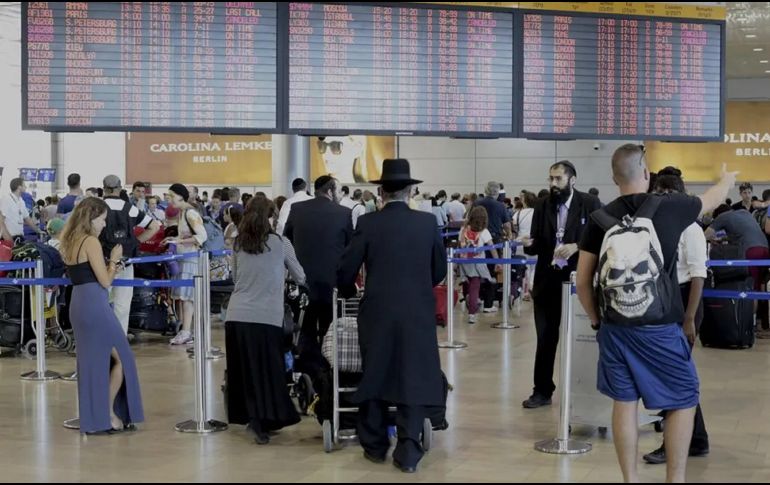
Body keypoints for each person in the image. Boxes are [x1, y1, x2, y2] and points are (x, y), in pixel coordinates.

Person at [576, 144, 735, 483]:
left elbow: (582, 281)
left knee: (625, 399)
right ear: (646, 174)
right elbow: (712, 198)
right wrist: (727, 178)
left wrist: (596, 321)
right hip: (659, 325)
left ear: (613, 178)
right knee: (684, 396)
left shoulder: (599, 219)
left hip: (615, 327)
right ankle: (674, 479)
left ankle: (630, 479)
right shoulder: (669, 208)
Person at [337, 159, 446, 474]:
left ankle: (373, 444)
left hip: (378, 311)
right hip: (418, 310)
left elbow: (347, 268)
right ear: (411, 190)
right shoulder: (427, 223)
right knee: (412, 372)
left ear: (380, 191)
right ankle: (409, 448)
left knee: (376, 370)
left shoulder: (369, 224)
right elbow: (438, 269)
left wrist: (345, 289)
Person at [59, 197, 144, 435]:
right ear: (92, 218)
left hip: (78, 302)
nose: (105, 225)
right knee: (123, 358)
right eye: (103, 220)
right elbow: (105, 282)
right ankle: (108, 414)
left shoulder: (68, 240)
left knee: (91, 362)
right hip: (95, 303)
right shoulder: (90, 242)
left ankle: (97, 417)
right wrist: (115, 260)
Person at [521, 161, 601, 409]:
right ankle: (542, 390)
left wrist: (577, 245)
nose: (553, 184)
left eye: (558, 179)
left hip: (580, 281)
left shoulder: (590, 204)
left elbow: (602, 238)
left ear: (572, 180)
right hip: (547, 282)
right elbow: (536, 244)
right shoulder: (543, 205)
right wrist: (527, 243)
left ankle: (588, 390)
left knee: (584, 337)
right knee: (545, 337)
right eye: (551, 179)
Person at [642, 171, 710, 465]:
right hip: (668, 300)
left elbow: (698, 276)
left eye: (659, 192)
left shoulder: (690, 228)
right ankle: (696, 439)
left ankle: (676, 443)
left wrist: (689, 319)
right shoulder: (664, 225)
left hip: (685, 304)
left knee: (674, 378)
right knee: (675, 377)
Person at [225, 196, 304, 444]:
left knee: (244, 370)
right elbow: (300, 276)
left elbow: (236, 277)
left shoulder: (238, 243)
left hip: (237, 315)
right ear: (271, 217)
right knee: (269, 370)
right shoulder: (281, 243)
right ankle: (267, 418)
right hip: (267, 317)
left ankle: (252, 418)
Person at [284, 175, 352, 384]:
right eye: (339, 191)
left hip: (303, 285)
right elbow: (350, 249)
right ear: (330, 191)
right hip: (333, 285)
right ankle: (330, 377)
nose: (340, 195)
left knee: (305, 331)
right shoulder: (344, 213)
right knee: (332, 330)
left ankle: (309, 376)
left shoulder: (297, 210)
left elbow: (286, 240)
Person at [101, 175, 162, 335]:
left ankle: (101, 339)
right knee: (122, 305)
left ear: (104, 189)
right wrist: (135, 242)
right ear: (120, 188)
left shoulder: (97, 207)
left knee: (100, 303)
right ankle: (119, 341)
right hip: (125, 262)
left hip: (101, 263)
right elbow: (154, 226)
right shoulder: (130, 208)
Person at [165, 184, 208, 346]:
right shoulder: (183, 213)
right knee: (183, 298)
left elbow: (202, 236)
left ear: (180, 196)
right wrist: (173, 239)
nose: (169, 200)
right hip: (184, 257)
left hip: (191, 259)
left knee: (187, 297)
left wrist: (179, 241)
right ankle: (185, 330)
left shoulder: (190, 212)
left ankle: (187, 331)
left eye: (171, 196)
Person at [459, 206, 500, 324]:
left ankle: (468, 298)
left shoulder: (464, 229)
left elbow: (460, 245)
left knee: (468, 281)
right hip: (477, 262)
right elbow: (492, 248)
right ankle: (472, 313)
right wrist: (497, 262)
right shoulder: (484, 232)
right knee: (475, 286)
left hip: (464, 261)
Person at [1, 178, 42, 243]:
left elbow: (27, 219)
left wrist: (38, 231)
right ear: (19, 187)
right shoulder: (6, 199)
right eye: (24, 185)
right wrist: (8, 239)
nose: (26, 187)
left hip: (19, 237)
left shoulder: (21, 201)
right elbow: (0, 221)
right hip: (8, 238)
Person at [514, 191, 538, 301]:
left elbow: (514, 226)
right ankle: (533, 288)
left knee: (523, 269)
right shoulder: (538, 213)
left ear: (524, 201)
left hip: (520, 242)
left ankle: (524, 292)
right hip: (535, 242)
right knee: (534, 268)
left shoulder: (518, 213)